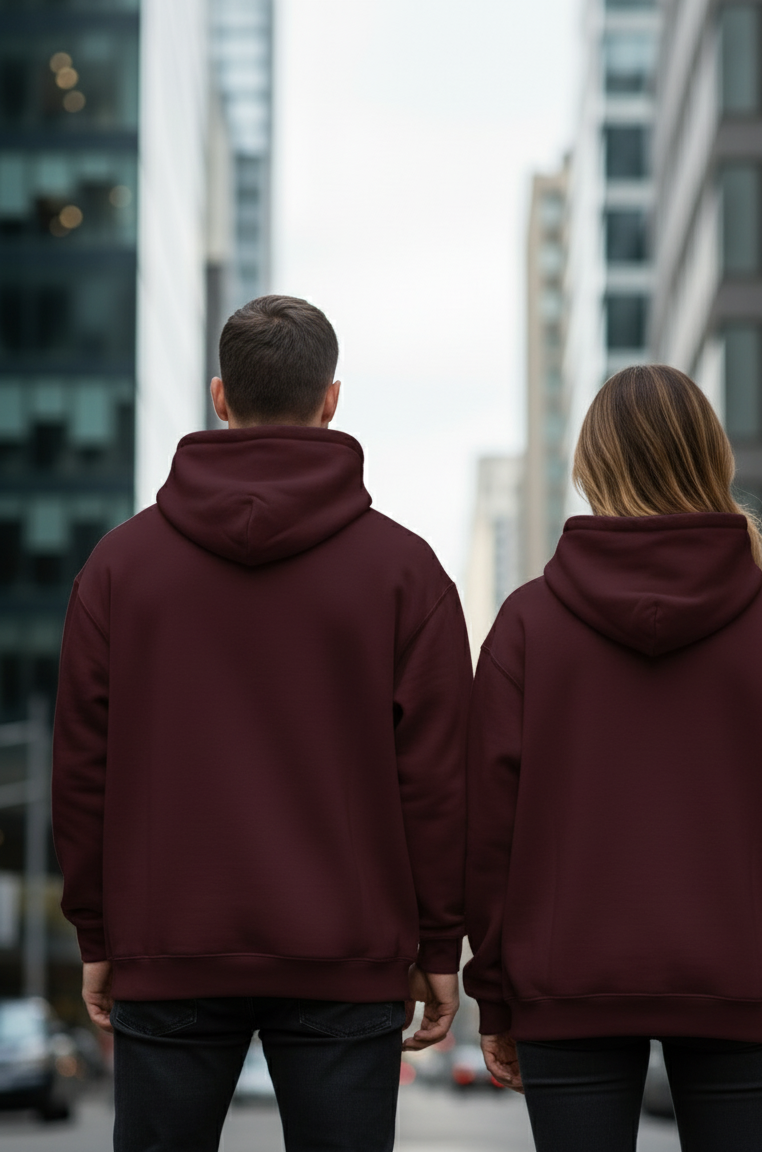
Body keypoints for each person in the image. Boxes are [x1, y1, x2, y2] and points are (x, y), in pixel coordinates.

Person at [52, 295, 471, 1152]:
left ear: (219, 396)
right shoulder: (405, 573)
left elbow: (81, 769)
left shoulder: (120, 568)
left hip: (168, 945)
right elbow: (436, 780)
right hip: (347, 958)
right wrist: (439, 945)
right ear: (331, 400)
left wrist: (98, 931)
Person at [464, 364, 762, 1152]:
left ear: (591, 468)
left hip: (566, 985)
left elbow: (487, 831)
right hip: (744, 982)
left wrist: (495, 995)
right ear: (711, 459)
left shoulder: (528, 625)